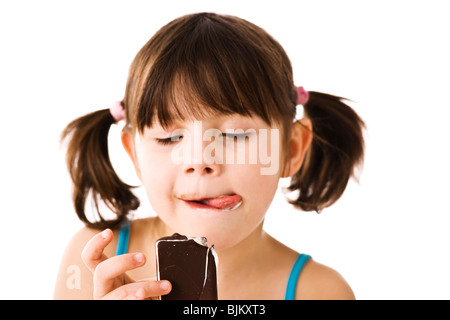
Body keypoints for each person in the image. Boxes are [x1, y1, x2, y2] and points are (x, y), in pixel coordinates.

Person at [54, 12, 365, 300]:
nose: (199, 160)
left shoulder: (321, 292)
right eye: (169, 137)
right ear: (134, 154)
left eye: (235, 135)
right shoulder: (95, 262)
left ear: (291, 150)